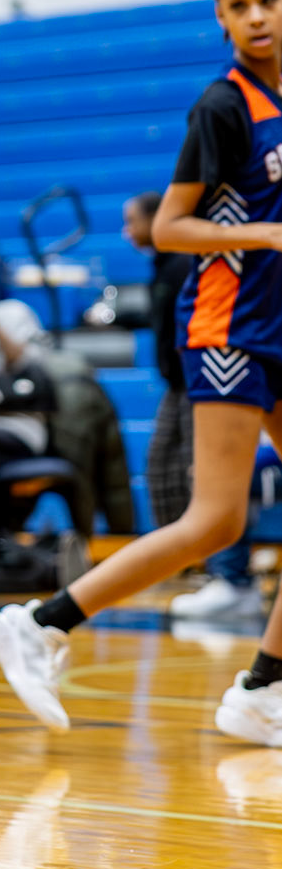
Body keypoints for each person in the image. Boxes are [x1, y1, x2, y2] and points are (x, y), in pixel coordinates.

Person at [0, 0, 282, 744]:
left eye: (267, 0)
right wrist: (265, 235)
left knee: (221, 520)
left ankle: (262, 689)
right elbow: (169, 226)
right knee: (213, 520)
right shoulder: (221, 107)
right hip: (226, 326)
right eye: (238, 5)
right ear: (221, 18)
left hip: (272, 325)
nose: (256, 16)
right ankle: (37, 624)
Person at [129, 190, 259, 619]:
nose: (127, 231)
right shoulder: (162, 266)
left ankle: (230, 577)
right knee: (160, 466)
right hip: (178, 383)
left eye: (132, 221)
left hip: (207, 378)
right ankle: (186, 564)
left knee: (207, 478)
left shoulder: (188, 262)